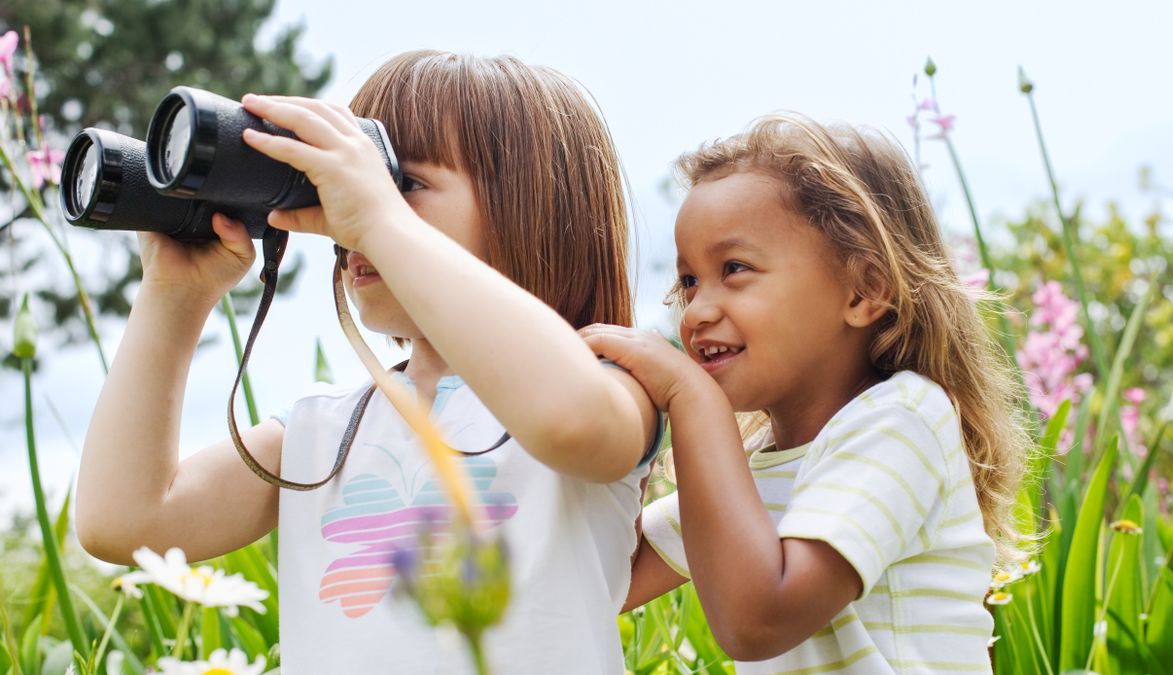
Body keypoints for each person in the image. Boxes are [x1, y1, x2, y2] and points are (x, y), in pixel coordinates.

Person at [76, 50, 660, 673]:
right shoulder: (322, 431)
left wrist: (380, 217)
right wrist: (175, 294)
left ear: (535, 204)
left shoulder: (610, 383)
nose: (348, 216)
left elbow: (573, 422)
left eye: (401, 182)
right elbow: (125, 522)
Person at [581, 113, 1030, 673]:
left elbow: (759, 620)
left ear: (864, 291)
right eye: (690, 280)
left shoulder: (901, 420)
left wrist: (690, 400)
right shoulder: (755, 468)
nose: (696, 311)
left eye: (735, 268)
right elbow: (594, 582)